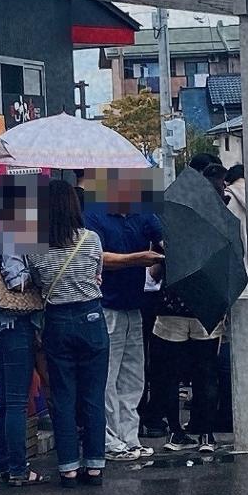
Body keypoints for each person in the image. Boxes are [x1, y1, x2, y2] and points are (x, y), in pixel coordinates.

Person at [26, 177, 109, 486]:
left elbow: (36, 282)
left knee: (62, 395)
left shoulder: (35, 243)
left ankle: (68, 468)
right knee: (92, 395)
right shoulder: (91, 239)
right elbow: (97, 275)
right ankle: (95, 465)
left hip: (56, 322)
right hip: (90, 318)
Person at [150, 160, 234, 453]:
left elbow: (156, 270)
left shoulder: (175, 219)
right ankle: (206, 436)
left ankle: (175, 433)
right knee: (206, 372)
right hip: (206, 306)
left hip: (172, 305)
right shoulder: (221, 222)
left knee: (170, 374)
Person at [83, 173, 163, 463]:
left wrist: (163, 249)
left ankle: (130, 437)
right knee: (108, 376)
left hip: (134, 304)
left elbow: (163, 238)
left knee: (133, 375)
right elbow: (96, 256)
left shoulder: (144, 212)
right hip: (105, 305)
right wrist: (138, 259)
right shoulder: (92, 214)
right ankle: (110, 439)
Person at [0, 176, 43, 486]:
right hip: (14, 324)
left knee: (2, 400)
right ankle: (18, 469)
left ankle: (2, 466)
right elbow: (17, 281)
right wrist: (38, 273)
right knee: (15, 401)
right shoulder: (14, 233)